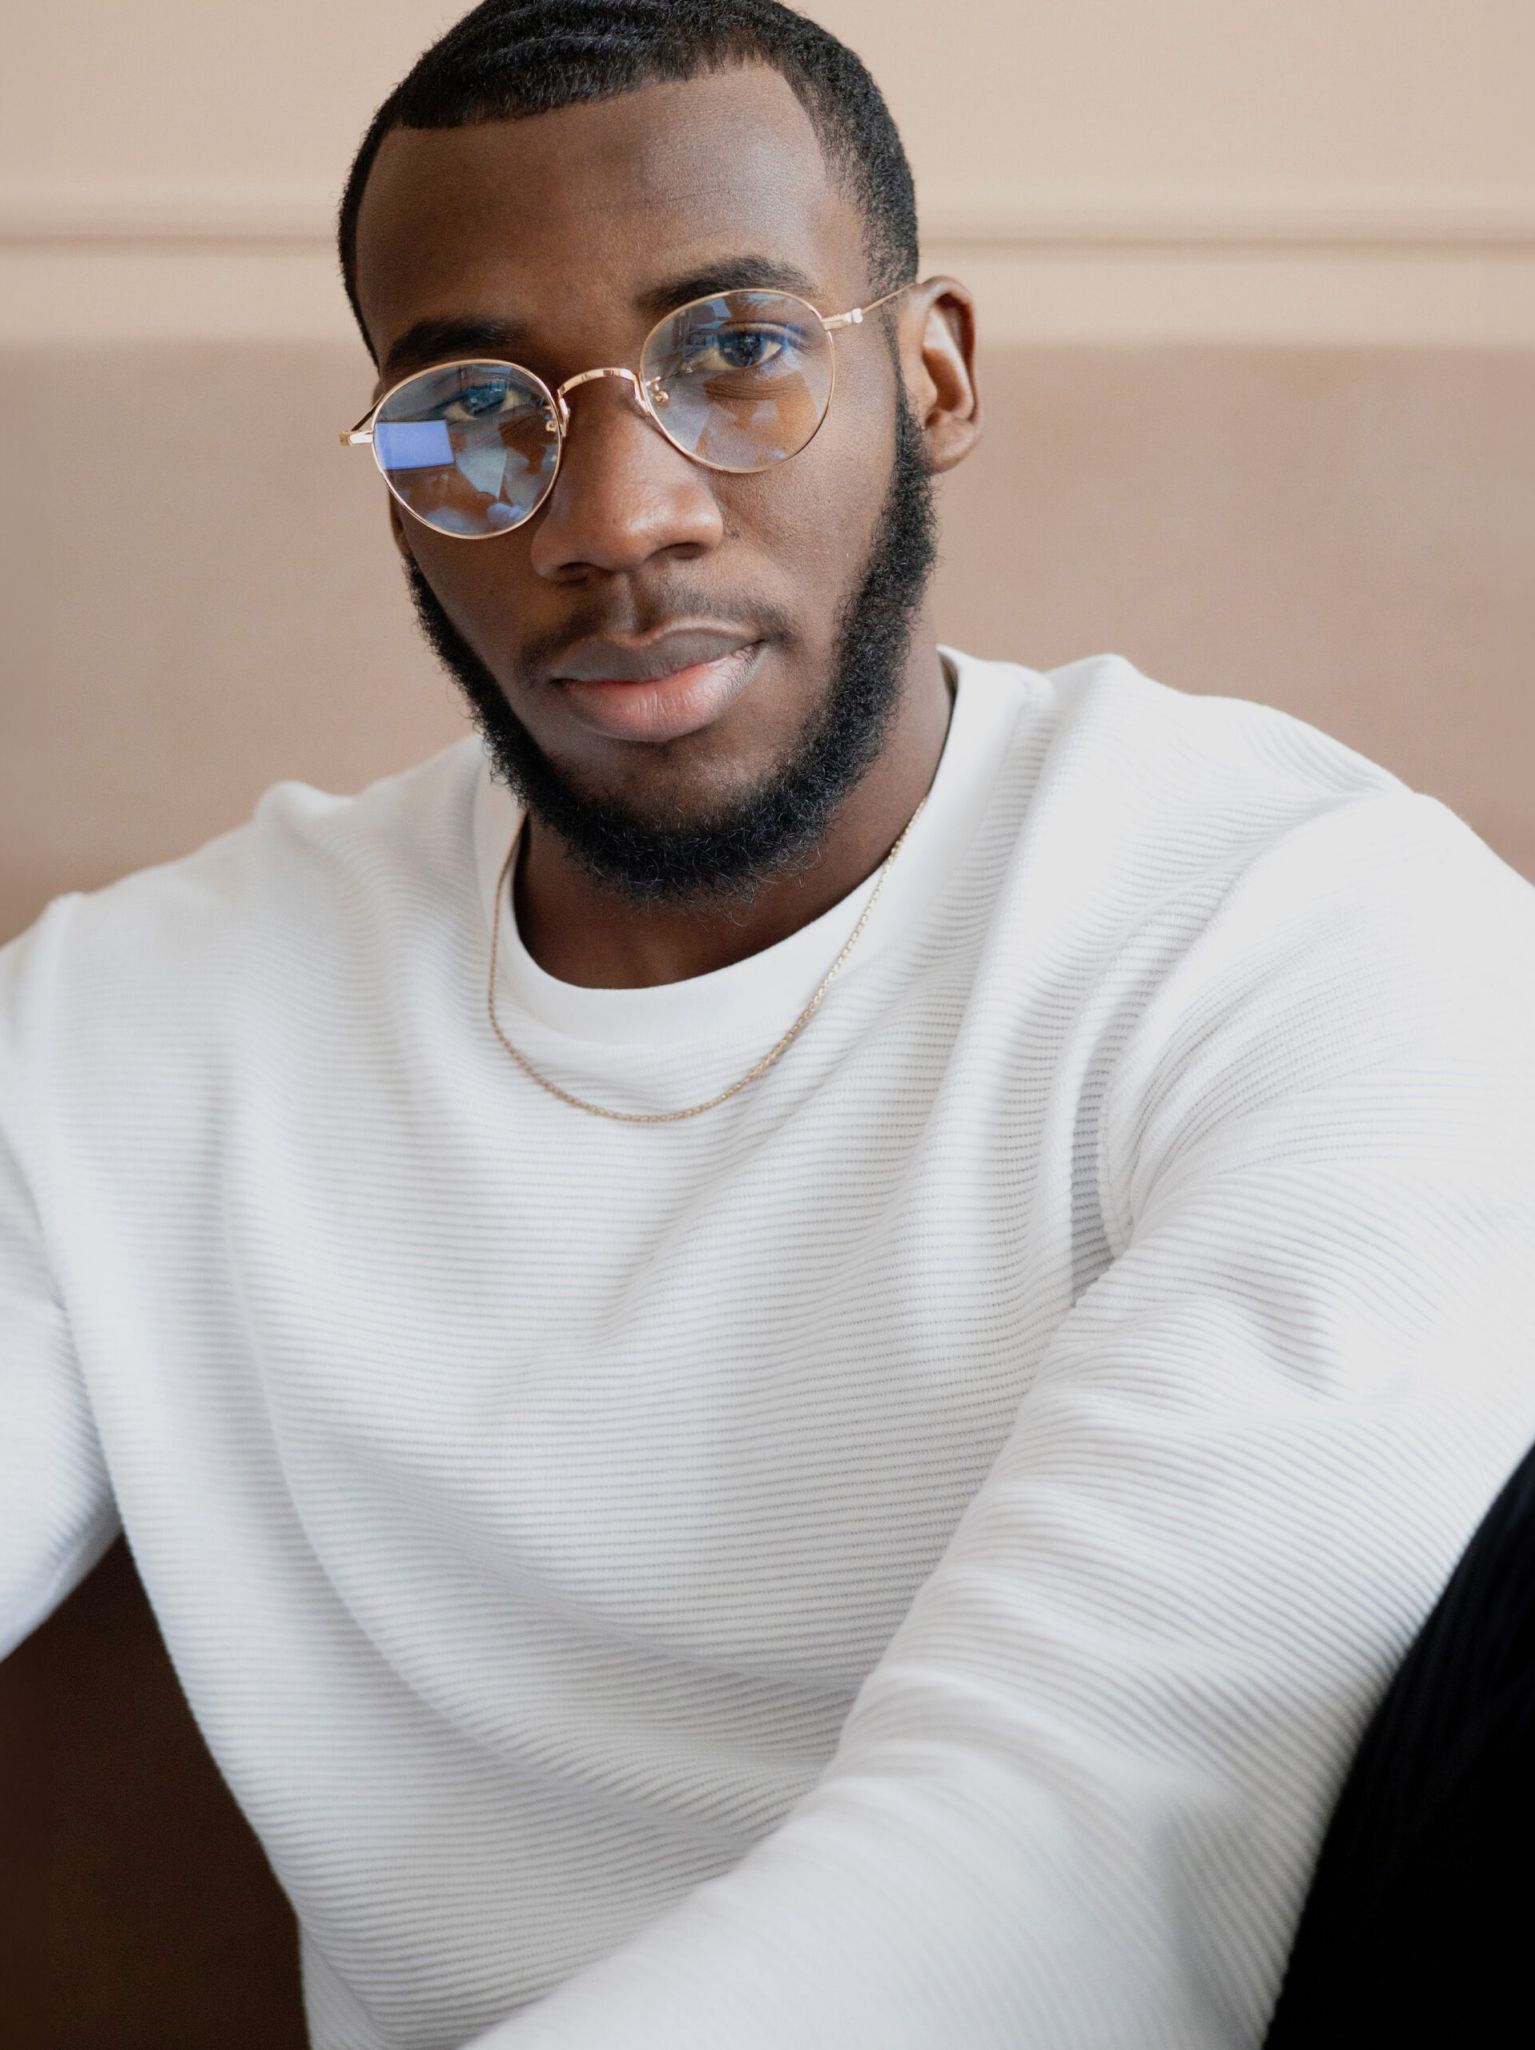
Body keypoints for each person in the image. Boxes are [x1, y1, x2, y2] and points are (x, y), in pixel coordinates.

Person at [4, 3, 1533, 2046]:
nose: (614, 516)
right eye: (472, 409)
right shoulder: (125, 1027)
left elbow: (1071, 1852)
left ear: (935, 374)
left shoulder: (1316, 937)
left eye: (735, 350)